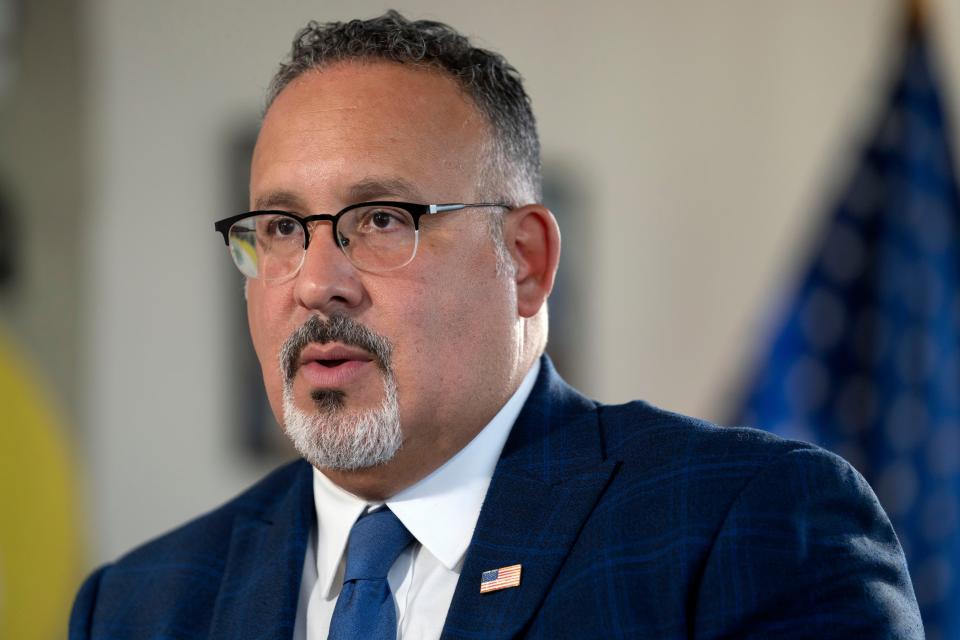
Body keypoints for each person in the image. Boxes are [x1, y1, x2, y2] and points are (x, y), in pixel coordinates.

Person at [70, 11, 923, 639]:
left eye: (380, 220)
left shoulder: (747, 526)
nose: (317, 284)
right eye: (283, 230)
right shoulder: (139, 606)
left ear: (525, 260)